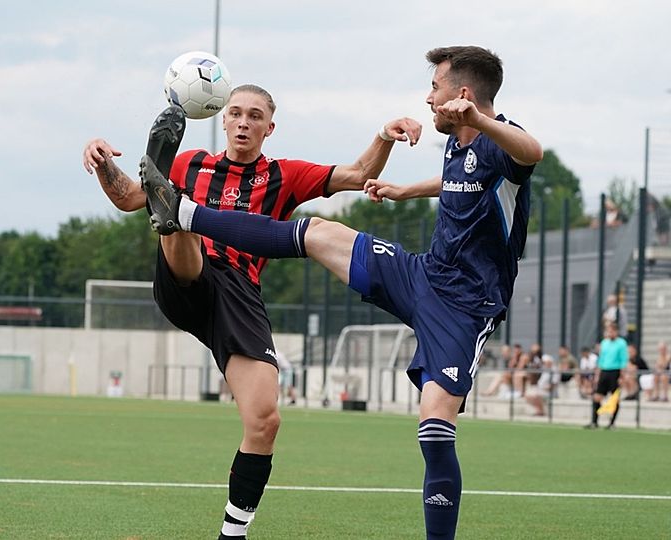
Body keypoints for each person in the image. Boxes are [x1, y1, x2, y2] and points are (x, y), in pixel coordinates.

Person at [140, 46, 541, 540]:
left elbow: (531, 152)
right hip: (423, 275)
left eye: (435, 88)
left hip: (465, 306)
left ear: (463, 95)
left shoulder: (502, 141)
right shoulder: (460, 145)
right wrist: (405, 190)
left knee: (435, 428)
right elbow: (461, 182)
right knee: (319, 233)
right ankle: (184, 215)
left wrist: (482, 119)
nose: (428, 98)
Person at [84, 85, 420, 539]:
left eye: (255, 116)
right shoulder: (191, 163)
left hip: (239, 293)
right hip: (190, 273)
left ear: (269, 127)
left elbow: (360, 172)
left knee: (264, 420)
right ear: (222, 120)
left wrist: (384, 133)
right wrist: (104, 164)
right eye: (236, 113)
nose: (244, 122)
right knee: (178, 223)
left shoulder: (284, 175)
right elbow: (127, 197)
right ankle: (174, 216)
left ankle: (233, 533)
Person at [587, 323, 628, 429]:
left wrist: (622, 376)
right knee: (597, 397)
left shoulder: (621, 343)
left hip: (615, 372)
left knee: (614, 398)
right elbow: (601, 360)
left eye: (611, 331)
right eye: (607, 331)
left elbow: (623, 360)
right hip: (604, 371)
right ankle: (594, 421)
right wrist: (597, 375)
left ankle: (612, 423)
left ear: (616, 331)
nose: (609, 333)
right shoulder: (604, 343)